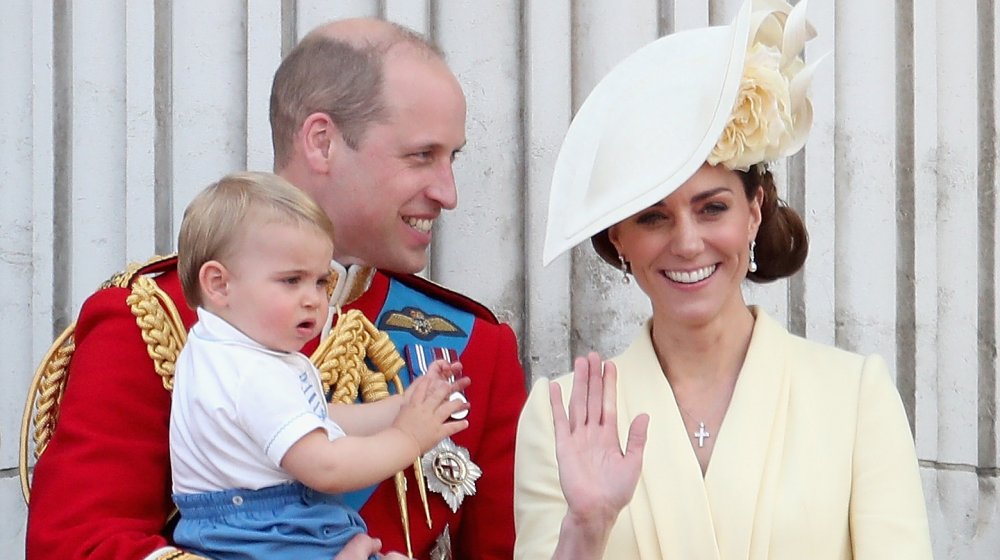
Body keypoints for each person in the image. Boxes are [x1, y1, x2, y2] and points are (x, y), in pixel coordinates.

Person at [26, 18, 526, 560]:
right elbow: (77, 547)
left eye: (453, 158)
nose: (447, 193)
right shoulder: (157, 322)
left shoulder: (472, 346)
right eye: (421, 155)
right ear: (321, 142)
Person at [514, 1, 933, 559]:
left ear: (754, 211)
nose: (687, 243)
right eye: (653, 216)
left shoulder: (856, 397)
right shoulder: (559, 414)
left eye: (712, 208)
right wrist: (587, 526)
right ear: (618, 238)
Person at [169, 172, 470, 559]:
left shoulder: (223, 350)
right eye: (292, 280)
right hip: (269, 534)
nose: (313, 299)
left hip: (257, 529)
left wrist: (401, 407)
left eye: (320, 282)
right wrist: (409, 438)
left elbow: (319, 417)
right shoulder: (252, 372)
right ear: (219, 284)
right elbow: (326, 467)